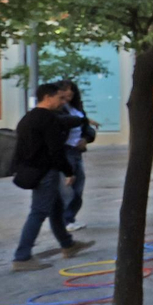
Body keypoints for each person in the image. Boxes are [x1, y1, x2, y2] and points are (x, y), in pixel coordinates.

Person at [10, 83, 95, 271]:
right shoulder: (48, 120)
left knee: (56, 209)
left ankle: (68, 245)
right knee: (38, 212)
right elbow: (55, 151)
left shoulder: (27, 118)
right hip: (45, 172)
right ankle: (22, 257)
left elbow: (20, 150)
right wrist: (69, 172)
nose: (62, 102)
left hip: (33, 171)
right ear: (48, 97)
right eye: (60, 98)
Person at [58, 81, 93, 231]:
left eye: (72, 90)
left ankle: (70, 217)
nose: (69, 93)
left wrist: (86, 139)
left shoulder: (77, 108)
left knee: (79, 186)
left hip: (76, 151)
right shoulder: (58, 110)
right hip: (65, 150)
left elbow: (88, 130)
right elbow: (64, 123)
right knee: (67, 188)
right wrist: (82, 120)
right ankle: (64, 220)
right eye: (66, 90)